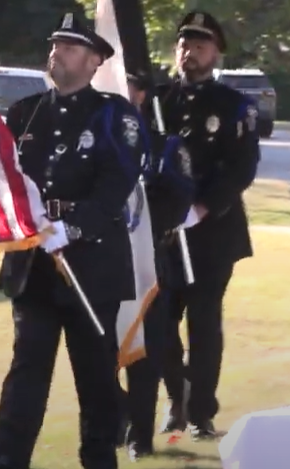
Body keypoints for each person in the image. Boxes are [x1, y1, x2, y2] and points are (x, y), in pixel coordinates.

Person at [0, 13, 146, 469]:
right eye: (56, 44)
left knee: (95, 373)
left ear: (95, 60)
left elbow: (115, 184)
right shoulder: (26, 112)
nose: (57, 52)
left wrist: (74, 225)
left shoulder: (113, 115)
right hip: (36, 264)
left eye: (71, 46)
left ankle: (98, 458)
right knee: (28, 365)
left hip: (91, 265)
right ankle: (7, 455)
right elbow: (5, 178)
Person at [155, 11, 261, 440]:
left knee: (203, 324)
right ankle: (175, 391)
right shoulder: (159, 102)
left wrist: (202, 207)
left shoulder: (233, 106)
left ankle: (200, 412)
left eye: (199, 46)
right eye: (184, 44)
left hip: (213, 233)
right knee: (158, 323)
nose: (189, 53)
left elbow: (242, 167)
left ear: (215, 52)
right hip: (165, 234)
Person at [119, 73, 196, 460]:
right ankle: (115, 419)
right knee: (96, 349)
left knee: (147, 351)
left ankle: (140, 435)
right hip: (100, 260)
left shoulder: (164, 146)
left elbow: (179, 200)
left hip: (148, 258)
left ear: (142, 95)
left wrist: (137, 212)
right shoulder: (92, 143)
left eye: (126, 86)